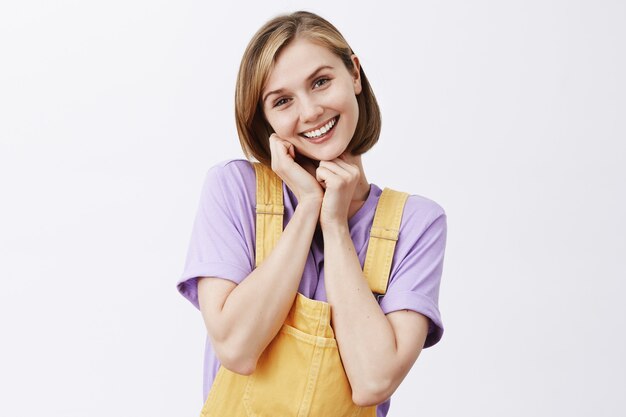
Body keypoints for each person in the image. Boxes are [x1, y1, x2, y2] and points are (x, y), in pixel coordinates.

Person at [177, 10, 447, 417]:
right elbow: (236, 348)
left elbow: (373, 380)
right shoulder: (234, 190)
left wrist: (336, 226)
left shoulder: (417, 224)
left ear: (354, 73)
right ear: (265, 120)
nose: (310, 112)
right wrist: (307, 209)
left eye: (321, 82)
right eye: (282, 101)